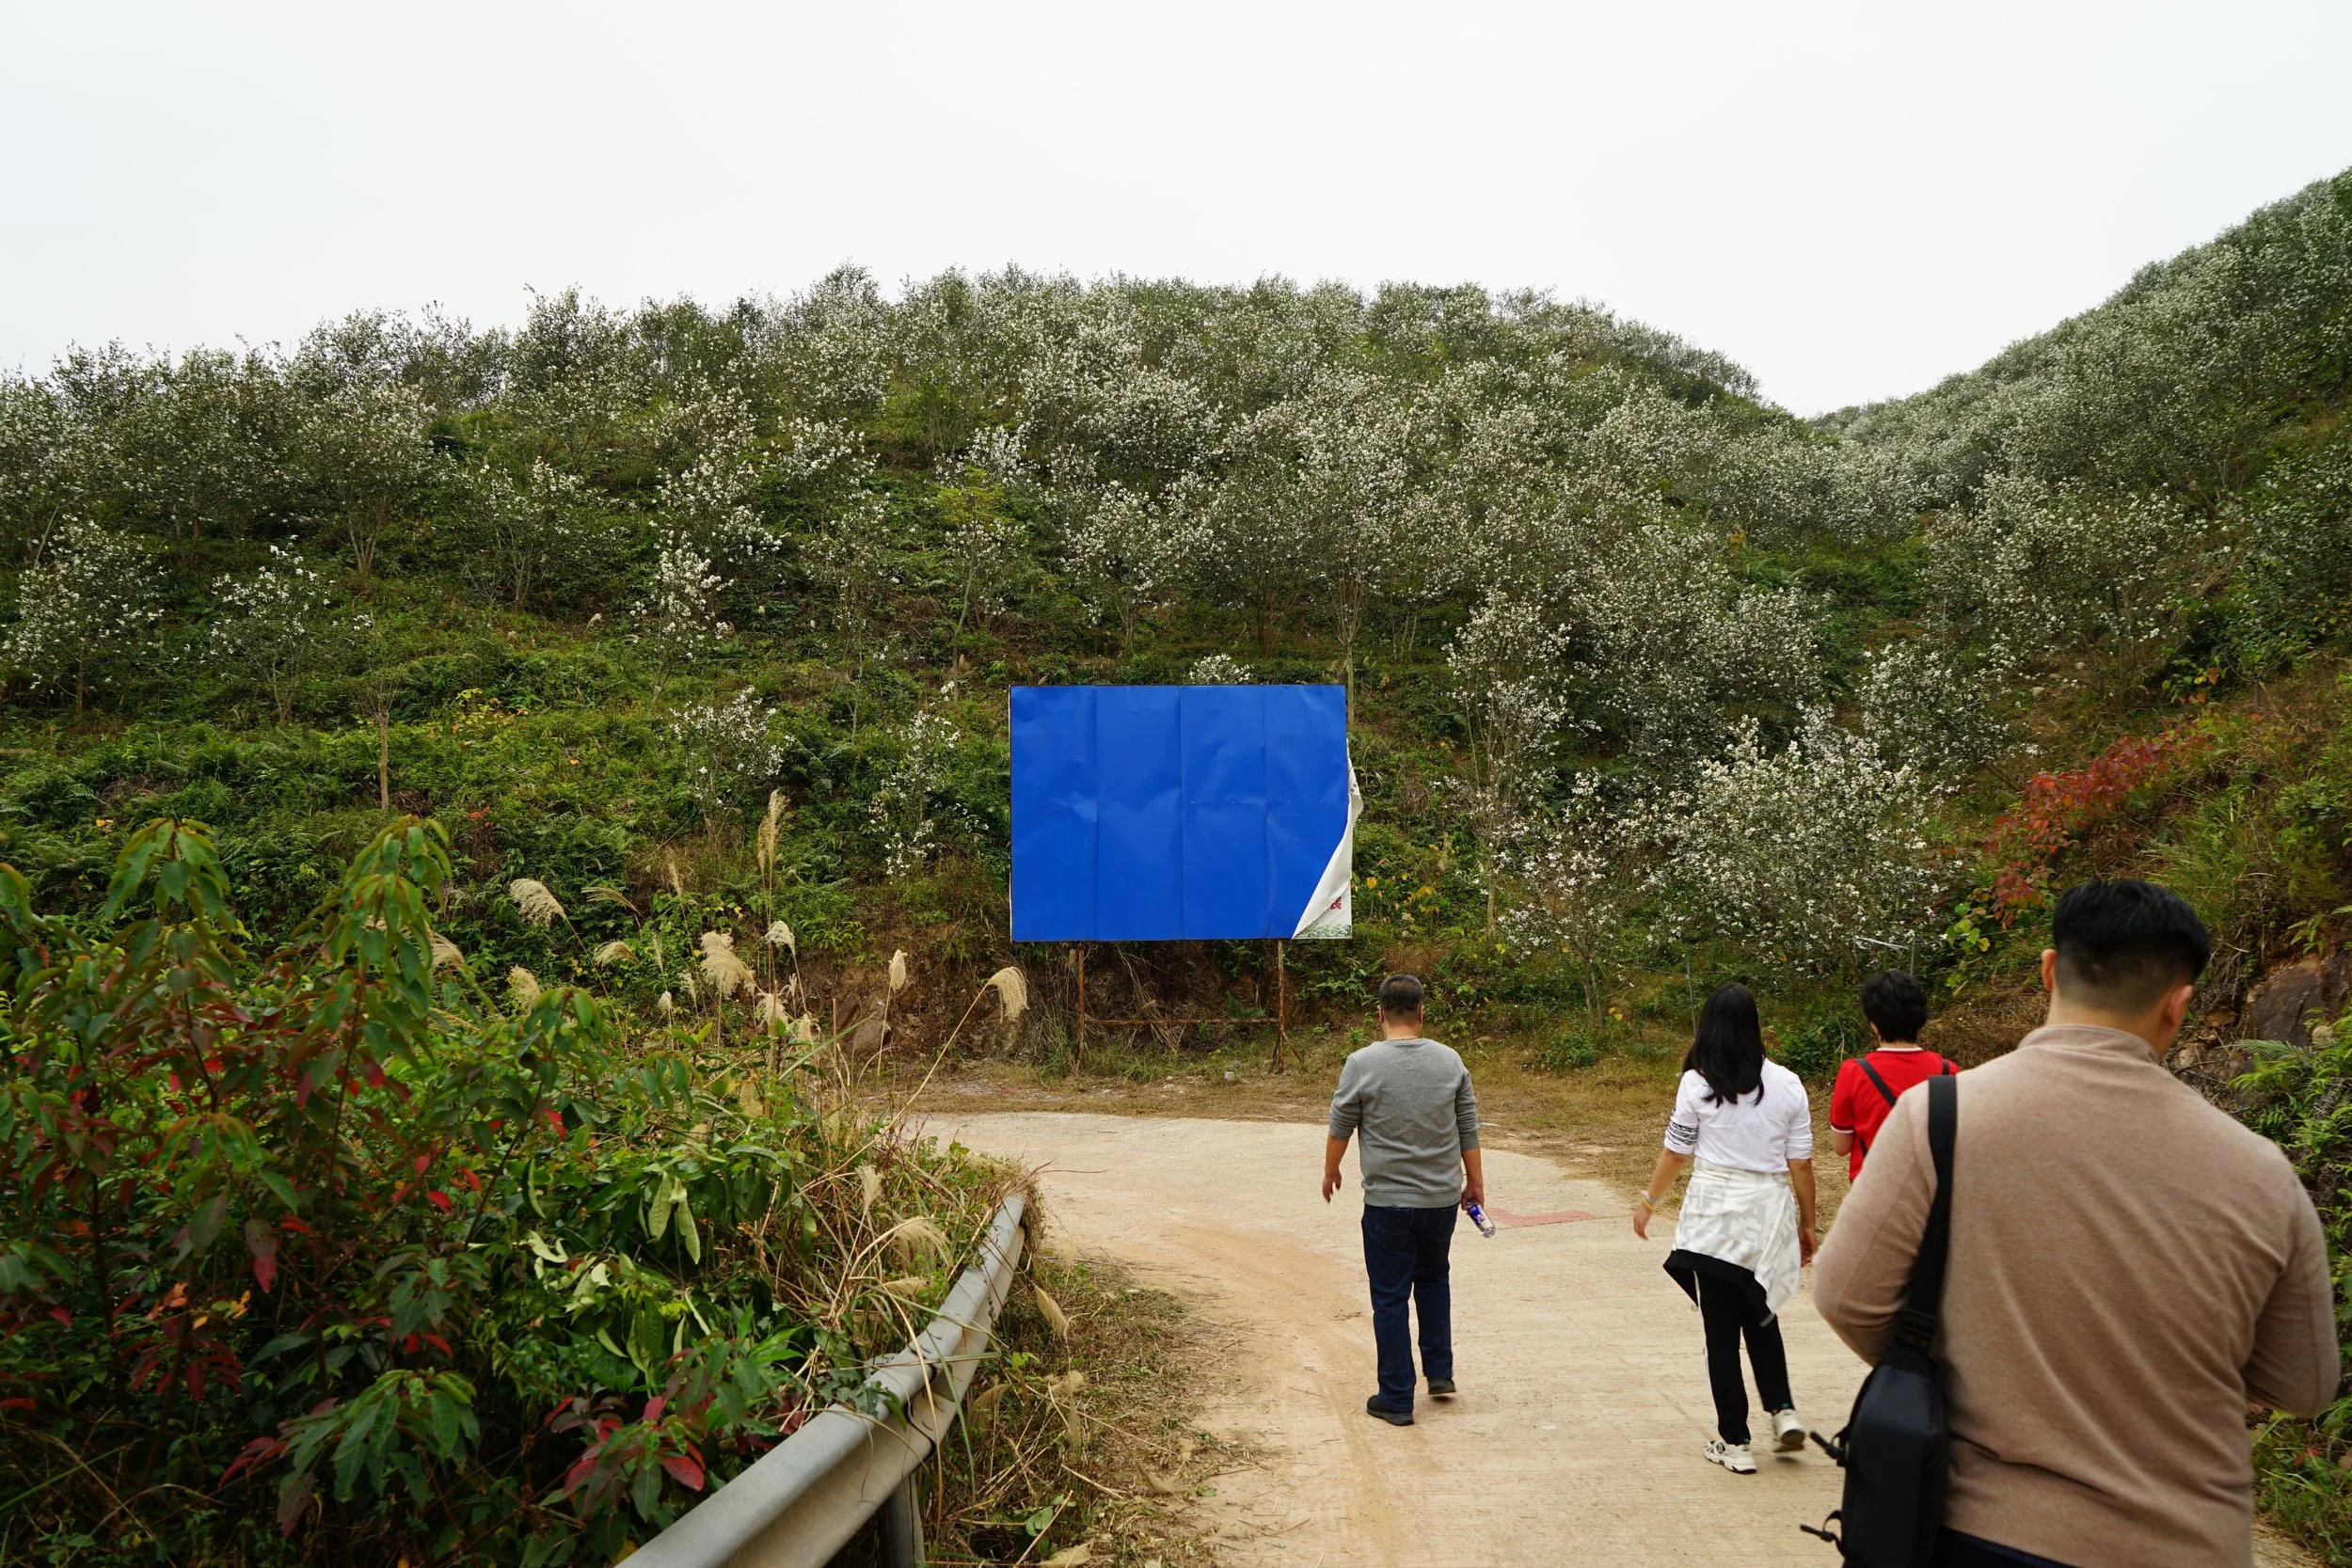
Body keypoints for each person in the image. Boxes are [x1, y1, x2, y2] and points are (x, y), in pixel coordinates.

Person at [1815, 880, 2338, 1568]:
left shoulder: (1941, 1116)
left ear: (2048, 969)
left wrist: (1974, 1368)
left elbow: (1845, 1296)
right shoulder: (2260, 1171)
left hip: (1983, 1530)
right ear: (2179, 1004)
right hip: (2187, 1540)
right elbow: (2305, 1384)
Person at [1634, 981, 1818, 1474]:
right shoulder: (1789, 1084)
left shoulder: (1698, 1083)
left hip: (1715, 1216)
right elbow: (1801, 1165)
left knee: (1720, 1332)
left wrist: (1649, 1202)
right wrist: (1808, 1224)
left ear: (1709, 1026)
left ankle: (1735, 1441)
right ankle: (1782, 1412)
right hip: (1767, 1213)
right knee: (1761, 1313)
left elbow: (1677, 1152)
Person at [1323, 973, 1483, 1427]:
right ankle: (1440, 1373)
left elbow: (1341, 1124)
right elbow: (1467, 1126)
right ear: (1421, 1013)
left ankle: (1395, 1397)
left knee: (1390, 1297)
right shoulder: (1450, 1061)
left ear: (1379, 1015)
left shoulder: (1361, 1063)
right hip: (1438, 1202)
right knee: (1434, 1279)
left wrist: (1331, 1170)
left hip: (1388, 1204)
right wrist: (1474, 1182)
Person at [1829, 970, 1955, 1181]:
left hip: (1873, 1189)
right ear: (1921, 1019)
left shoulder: (1854, 1072)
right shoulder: (1947, 1071)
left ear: (1873, 1023)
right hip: (1930, 1193)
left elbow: (1841, 1147)